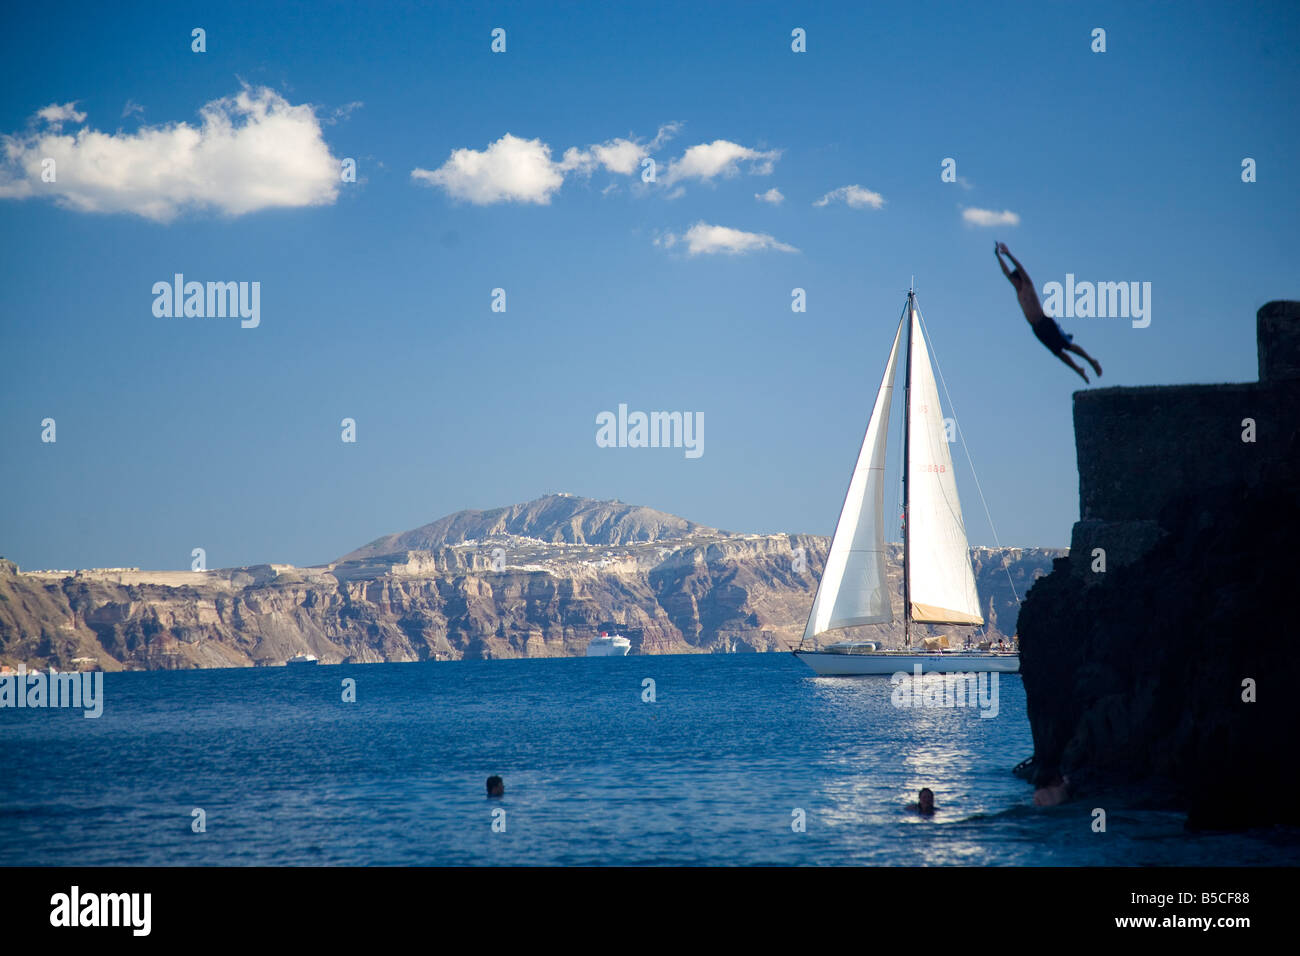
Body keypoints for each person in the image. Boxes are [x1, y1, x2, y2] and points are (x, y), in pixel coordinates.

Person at [995, 242, 1102, 384]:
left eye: (1014, 280)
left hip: (1045, 322)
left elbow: (1020, 268)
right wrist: (997, 256)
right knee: (1058, 352)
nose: (1012, 282)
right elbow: (1005, 272)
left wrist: (1008, 254)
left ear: (1018, 279)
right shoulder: (1018, 292)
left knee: (1067, 346)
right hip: (1036, 328)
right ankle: (1078, 369)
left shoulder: (1027, 285)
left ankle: (1091, 360)